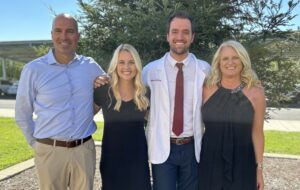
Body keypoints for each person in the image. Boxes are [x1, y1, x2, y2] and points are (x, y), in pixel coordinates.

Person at [15, 13, 105, 190]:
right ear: (52, 34)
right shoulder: (33, 69)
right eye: (58, 31)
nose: (64, 36)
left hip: (83, 151)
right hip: (49, 152)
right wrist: (38, 145)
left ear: (77, 36)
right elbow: (22, 113)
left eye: (70, 31)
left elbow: (108, 89)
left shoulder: (90, 66)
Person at [142, 11, 210, 190]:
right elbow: (129, 92)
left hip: (192, 147)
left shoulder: (206, 70)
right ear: (167, 36)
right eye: (175, 31)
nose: (180, 37)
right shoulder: (150, 70)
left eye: (186, 32)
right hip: (162, 146)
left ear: (192, 37)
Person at [198, 40, 265, 190]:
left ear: (242, 60)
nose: (230, 62)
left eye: (235, 57)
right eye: (225, 58)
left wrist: (259, 169)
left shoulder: (256, 92)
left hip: (243, 161)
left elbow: (257, 133)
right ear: (218, 63)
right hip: (210, 160)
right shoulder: (206, 89)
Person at [94, 44, 151, 190]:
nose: (127, 67)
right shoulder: (103, 90)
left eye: (131, 62)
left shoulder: (144, 93)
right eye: (121, 62)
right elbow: (84, 117)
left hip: (138, 161)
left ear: (137, 65)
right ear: (115, 65)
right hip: (111, 161)